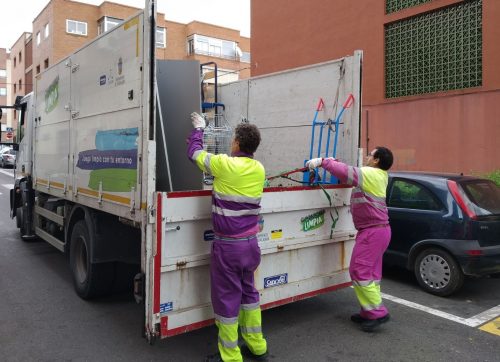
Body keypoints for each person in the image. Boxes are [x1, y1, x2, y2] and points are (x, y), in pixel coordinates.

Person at [187, 112, 269, 362]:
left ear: (236, 144)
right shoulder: (259, 169)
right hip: (251, 246)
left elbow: (194, 153)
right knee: (249, 294)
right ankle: (257, 346)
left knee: (226, 300)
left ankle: (231, 355)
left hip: (228, 248)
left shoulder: (224, 165)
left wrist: (199, 130)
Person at [306, 147, 394, 332]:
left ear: (377, 160)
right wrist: (333, 162)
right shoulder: (380, 176)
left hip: (372, 232)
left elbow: (346, 172)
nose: (368, 157)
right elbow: (349, 172)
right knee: (371, 274)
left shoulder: (372, 173)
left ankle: (378, 312)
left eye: (370, 155)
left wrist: (323, 162)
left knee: (359, 270)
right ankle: (368, 311)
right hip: (379, 231)